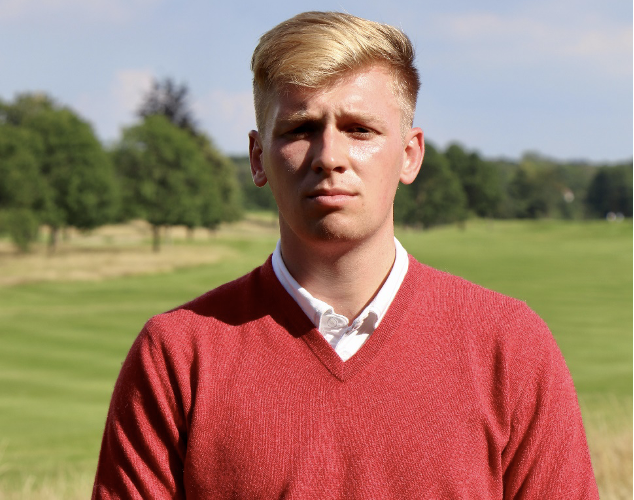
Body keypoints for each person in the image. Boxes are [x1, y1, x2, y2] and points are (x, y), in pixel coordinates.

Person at [92, 11, 599, 499]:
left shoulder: (510, 346)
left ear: (409, 154)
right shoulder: (177, 354)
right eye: (300, 129)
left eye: (360, 129)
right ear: (258, 157)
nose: (329, 157)